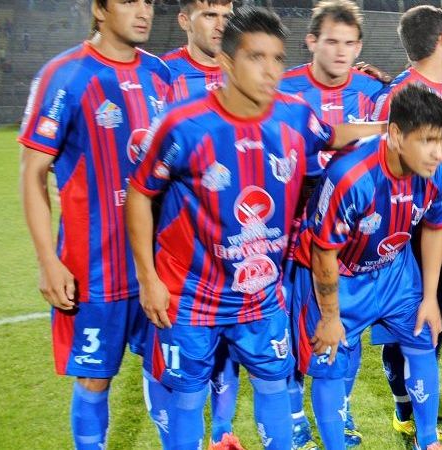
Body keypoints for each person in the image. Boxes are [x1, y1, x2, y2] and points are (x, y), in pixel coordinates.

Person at [126, 7, 384, 450]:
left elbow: (332, 134)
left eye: (277, 59)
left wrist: (390, 128)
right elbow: (139, 194)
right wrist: (148, 278)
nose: (269, 71)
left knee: (272, 389)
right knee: (188, 400)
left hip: (260, 295)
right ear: (227, 62)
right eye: (255, 57)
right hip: (191, 297)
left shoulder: (293, 114)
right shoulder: (183, 124)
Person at [18, 1, 169, 448]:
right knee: (93, 380)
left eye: (149, 2)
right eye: (128, 1)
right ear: (99, 10)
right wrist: (48, 260)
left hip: (159, 268)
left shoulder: (160, 74)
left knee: (169, 373)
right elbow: (32, 173)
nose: (143, 11)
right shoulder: (65, 74)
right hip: (94, 269)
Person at [291, 84, 442, 450]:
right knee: (331, 364)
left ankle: (428, 441)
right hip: (338, 274)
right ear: (395, 135)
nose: (437, 153)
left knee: (422, 340)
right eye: (427, 140)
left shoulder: (439, 175)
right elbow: (323, 254)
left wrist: (430, 297)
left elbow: (434, 229)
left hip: (394, 270)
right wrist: (330, 317)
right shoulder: (352, 176)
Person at [278, 1, 384, 448]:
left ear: (359, 46)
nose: (340, 52)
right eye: (331, 42)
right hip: (289, 227)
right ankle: (295, 411)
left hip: (350, 232)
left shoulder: (374, 90)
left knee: (347, 324)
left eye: (348, 43)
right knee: (287, 329)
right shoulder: (285, 90)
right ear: (312, 42)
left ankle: (338, 410)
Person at [139, 1, 238, 448]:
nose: (220, 25)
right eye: (209, 14)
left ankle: (222, 436)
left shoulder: (244, 70)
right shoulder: (164, 76)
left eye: (226, 14)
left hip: (234, 244)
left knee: (225, 355)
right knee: (170, 358)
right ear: (185, 20)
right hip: (177, 248)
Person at [368, 5, 442, 436]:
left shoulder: (432, 87)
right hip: (411, 233)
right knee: (407, 328)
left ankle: (417, 402)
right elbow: (379, 163)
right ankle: (405, 407)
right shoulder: (401, 93)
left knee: (433, 326)